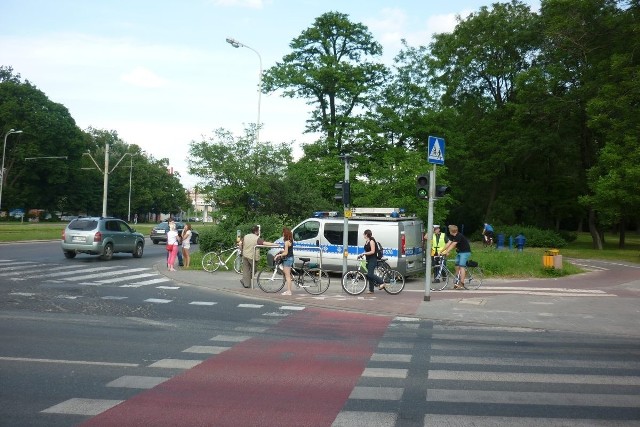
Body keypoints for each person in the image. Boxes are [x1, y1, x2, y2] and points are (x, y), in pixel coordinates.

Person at [441, 224, 471, 289]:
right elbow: (448, 243)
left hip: (465, 252)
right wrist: (441, 251)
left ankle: (462, 283)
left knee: (461, 267)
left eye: (449, 230)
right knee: (457, 266)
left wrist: (446, 252)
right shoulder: (452, 236)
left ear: (451, 231)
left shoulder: (458, 236)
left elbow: (452, 245)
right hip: (459, 252)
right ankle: (457, 281)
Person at [357, 229, 384, 294]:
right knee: (369, 275)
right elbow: (366, 251)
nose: (363, 235)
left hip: (373, 259)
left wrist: (364, 254)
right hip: (368, 259)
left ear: (366, 234)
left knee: (370, 274)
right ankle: (371, 290)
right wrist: (361, 254)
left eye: (364, 234)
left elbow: (372, 251)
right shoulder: (367, 241)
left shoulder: (371, 241)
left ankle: (382, 282)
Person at [274, 227, 294, 295]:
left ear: (285, 234)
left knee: (287, 276)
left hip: (287, 259)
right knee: (288, 275)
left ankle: (289, 291)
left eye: (283, 233)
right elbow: (288, 250)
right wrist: (282, 251)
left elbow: (286, 253)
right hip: (290, 258)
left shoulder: (286, 242)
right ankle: (289, 289)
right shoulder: (290, 241)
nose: (282, 234)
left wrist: (278, 255)